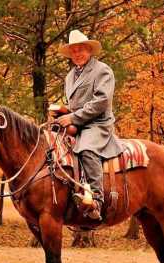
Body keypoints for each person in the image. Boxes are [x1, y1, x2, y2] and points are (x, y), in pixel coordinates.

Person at [52, 30, 124, 220]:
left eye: (81, 50)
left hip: (98, 123)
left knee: (86, 149)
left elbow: (101, 101)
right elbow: (76, 104)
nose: (77, 54)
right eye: (74, 51)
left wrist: (73, 117)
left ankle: (97, 201)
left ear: (89, 50)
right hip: (78, 123)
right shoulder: (69, 76)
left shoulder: (102, 70)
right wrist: (62, 112)